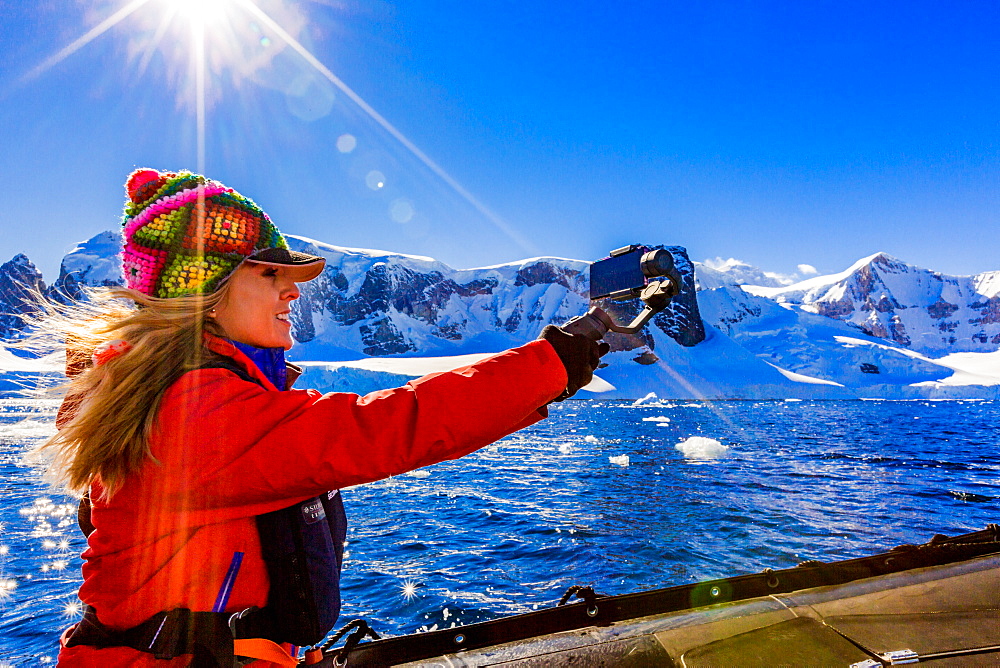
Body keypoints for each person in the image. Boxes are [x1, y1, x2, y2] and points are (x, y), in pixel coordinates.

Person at [43, 169, 608, 666]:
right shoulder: (192, 416)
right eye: (267, 274)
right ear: (205, 293)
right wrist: (554, 361)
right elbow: (386, 427)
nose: (292, 289)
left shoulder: (186, 395)